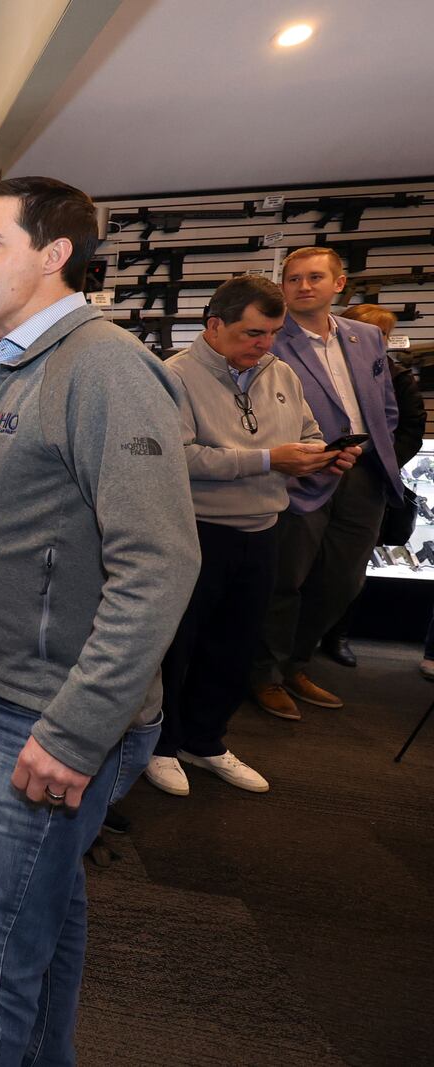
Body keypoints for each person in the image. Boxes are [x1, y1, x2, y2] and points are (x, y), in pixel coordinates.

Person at [0, 177, 198, 1066]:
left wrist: (73, 733)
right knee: (48, 909)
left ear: (55, 254)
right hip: (18, 695)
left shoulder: (103, 366)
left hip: (58, 713)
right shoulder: (12, 362)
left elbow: (160, 564)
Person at [145, 276, 355, 797]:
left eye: (273, 333)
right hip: (195, 531)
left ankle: (206, 740)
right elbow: (177, 457)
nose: (266, 344)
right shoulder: (173, 376)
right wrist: (268, 460)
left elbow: (305, 435)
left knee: (235, 646)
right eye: (254, 334)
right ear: (214, 326)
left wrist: (321, 458)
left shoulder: (279, 371)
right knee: (177, 647)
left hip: (263, 529)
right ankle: (161, 745)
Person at [249, 248, 404, 719]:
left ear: (339, 284)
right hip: (301, 475)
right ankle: (265, 673)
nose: (303, 286)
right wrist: (307, 456)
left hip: (363, 475)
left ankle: (297, 663)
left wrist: (368, 450)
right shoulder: (270, 340)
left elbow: (385, 407)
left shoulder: (366, 337)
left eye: (315, 277)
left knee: (341, 582)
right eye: (293, 278)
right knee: (286, 580)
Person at [317, 302, 426, 668]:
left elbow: (409, 429)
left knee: (349, 569)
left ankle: (336, 633)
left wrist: (375, 459)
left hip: (367, 477)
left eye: (379, 335)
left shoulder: (395, 378)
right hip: (317, 470)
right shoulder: (323, 369)